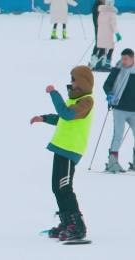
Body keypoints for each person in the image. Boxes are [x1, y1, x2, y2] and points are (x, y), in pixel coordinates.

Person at [30, 66, 94, 241]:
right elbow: (62, 119)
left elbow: (66, 115)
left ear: (82, 82)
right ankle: (67, 222)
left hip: (70, 149)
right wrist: (44, 118)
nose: (71, 83)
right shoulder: (75, 100)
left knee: (64, 187)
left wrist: (53, 93)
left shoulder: (86, 101)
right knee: (56, 187)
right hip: (61, 147)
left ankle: (77, 226)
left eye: (74, 80)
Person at [103, 48, 135, 172]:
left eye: (126, 59)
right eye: (122, 58)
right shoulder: (117, 69)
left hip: (134, 111)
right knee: (118, 135)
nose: (123, 61)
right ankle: (112, 162)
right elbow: (107, 84)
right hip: (119, 108)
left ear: (133, 58)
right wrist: (110, 94)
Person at [93, 0, 121, 71]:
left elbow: (98, 23)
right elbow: (113, 24)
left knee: (102, 48)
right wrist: (117, 34)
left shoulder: (101, 12)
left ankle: (98, 64)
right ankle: (107, 64)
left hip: (100, 33)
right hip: (108, 34)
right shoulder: (112, 13)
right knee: (111, 48)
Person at [89, 0, 105, 65]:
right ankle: (93, 62)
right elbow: (97, 20)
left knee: (102, 45)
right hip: (99, 28)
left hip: (102, 28)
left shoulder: (101, 5)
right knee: (99, 44)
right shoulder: (97, 6)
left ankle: (99, 62)